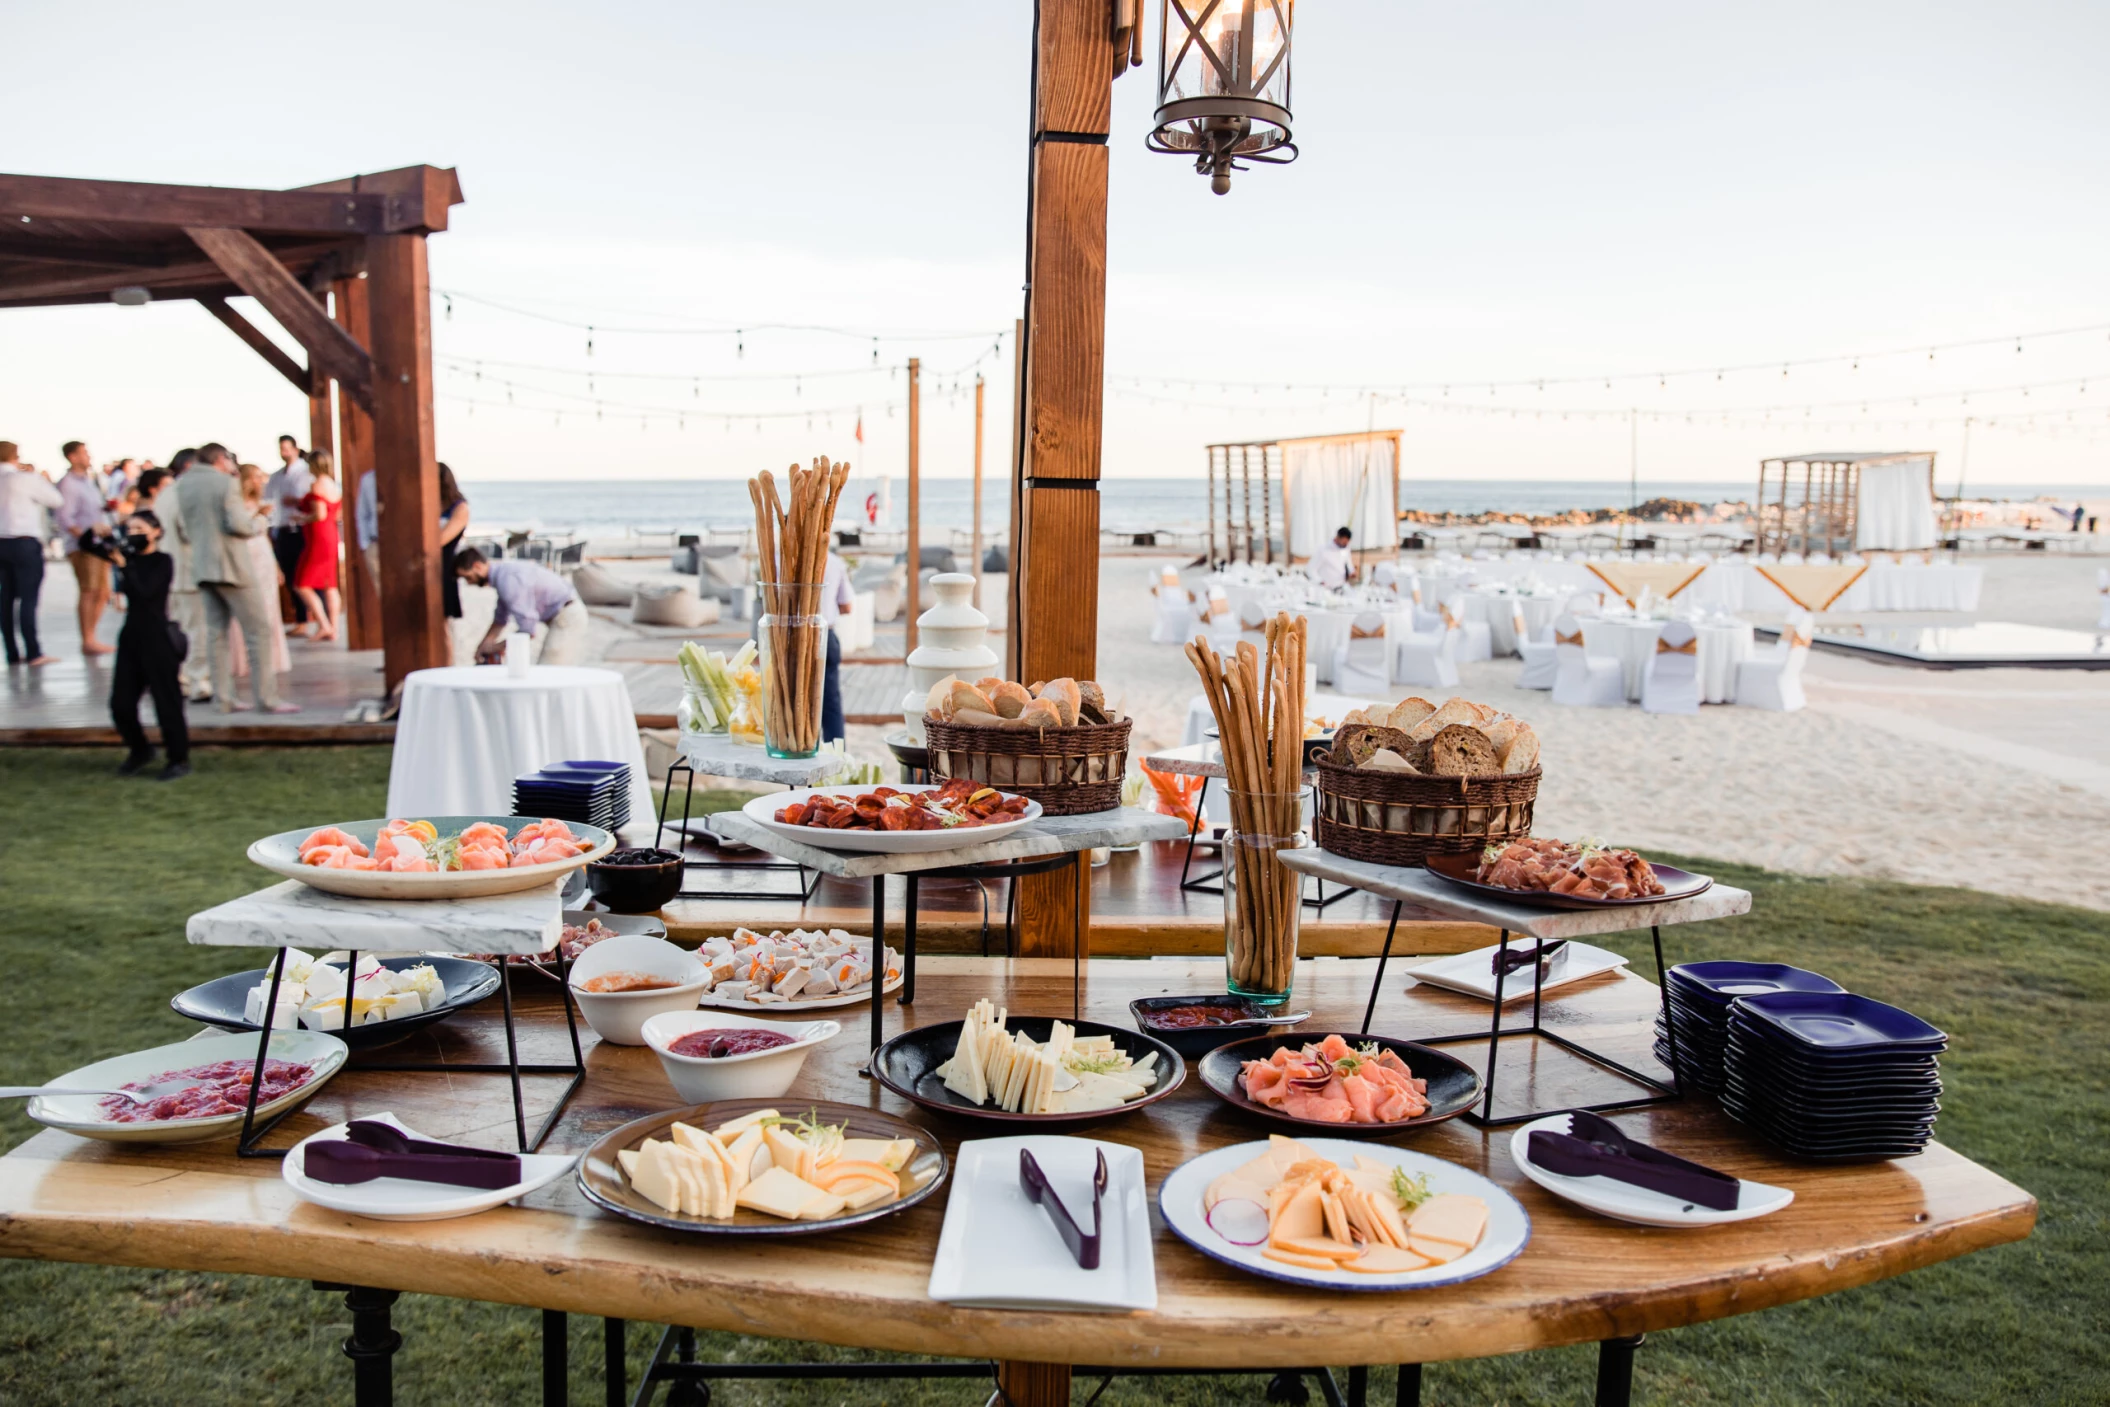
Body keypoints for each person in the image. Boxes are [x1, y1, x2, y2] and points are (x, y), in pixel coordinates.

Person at [171, 442, 295, 714]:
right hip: (233, 566)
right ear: (220, 459)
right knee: (258, 630)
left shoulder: (182, 485)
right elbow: (239, 524)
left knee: (216, 634)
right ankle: (267, 698)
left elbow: (181, 528)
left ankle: (223, 699)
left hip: (202, 567)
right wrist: (260, 522)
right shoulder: (225, 483)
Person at [83, 511, 189, 781]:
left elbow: (146, 593)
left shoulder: (162, 561)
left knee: (167, 704)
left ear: (156, 531)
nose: (134, 534)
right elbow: (88, 546)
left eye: (140, 528)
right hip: (131, 638)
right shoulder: (126, 556)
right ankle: (140, 750)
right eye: (129, 529)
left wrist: (123, 566)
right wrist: (96, 532)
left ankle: (178, 758)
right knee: (121, 704)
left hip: (158, 639)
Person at [455, 547, 589, 665]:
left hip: (568, 616)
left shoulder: (508, 581)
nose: (469, 583)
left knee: (549, 672)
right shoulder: (503, 575)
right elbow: (500, 619)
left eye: (468, 577)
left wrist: (497, 647)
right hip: (564, 612)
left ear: (478, 566)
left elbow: (528, 630)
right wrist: (484, 645)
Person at [0, 441, 62, 666]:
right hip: (24, 542)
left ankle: (12, 652)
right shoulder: (24, 479)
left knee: (5, 598)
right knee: (28, 598)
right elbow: (55, 500)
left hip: (1, 543)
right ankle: (34, 651)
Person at [230, 463, 291, 678]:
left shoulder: (258, 501)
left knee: (269, 606)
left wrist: (276, 567)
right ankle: (245, 659)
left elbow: (264, 536)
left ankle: (270, 658)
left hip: (262, 555)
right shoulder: (236, 503)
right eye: (255, 477)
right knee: (247, 607)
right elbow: (240, 528)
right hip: (245, 554)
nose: (259, 481)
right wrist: (258, 514)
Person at [55, 440, 115, 657]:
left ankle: (92, 636)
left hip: (99, 544)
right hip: (84, 546)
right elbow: (65, 518)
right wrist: (86, 537)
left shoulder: (90, 481)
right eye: (84, 453)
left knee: (102, 592)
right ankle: (87, 639)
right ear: (72, 456)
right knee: (89, 590)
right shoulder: (68, 483)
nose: (88, 457)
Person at [161, 449, 210, 700]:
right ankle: (196, 681)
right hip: (189, 571)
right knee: (195, 630)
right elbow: (189, 531)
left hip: (169, 571)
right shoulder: (185, 493)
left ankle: (179, 678)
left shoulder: (166, 493)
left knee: (177, 628)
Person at [293, 449, 343, 641]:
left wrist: (301, 517)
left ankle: (324, 624)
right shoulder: (333, 485)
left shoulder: (317, 485)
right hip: (331, 534)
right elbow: (336, 514)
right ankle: (334, 629)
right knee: (330, 585)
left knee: (302, 583)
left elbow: (319, 514)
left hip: (319, 537)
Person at [265, 435, 311, 627]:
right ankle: (299, 618)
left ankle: (308, 617)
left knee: (304, 576)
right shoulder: (276, 477)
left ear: (295, 449)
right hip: (281, 528)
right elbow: (268, 500)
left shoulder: (306, 473)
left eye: (286, 448)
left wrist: (298, 502)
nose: (284, 453)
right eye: (281, 449)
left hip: (301, 528)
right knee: (290, 574)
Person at [819, 548, 855, 743]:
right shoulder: (832, 561)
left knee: (790, 703)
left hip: (786, 637)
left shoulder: (776, 558)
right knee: (830, 702)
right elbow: (847, 606)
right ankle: (835, 755)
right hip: (824, 634)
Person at [353, 466, 380, 593]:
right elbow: (362, 513)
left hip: (401, 545)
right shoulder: (368, 479)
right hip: (375, 543)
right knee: (381, 593)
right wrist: (365, 545)